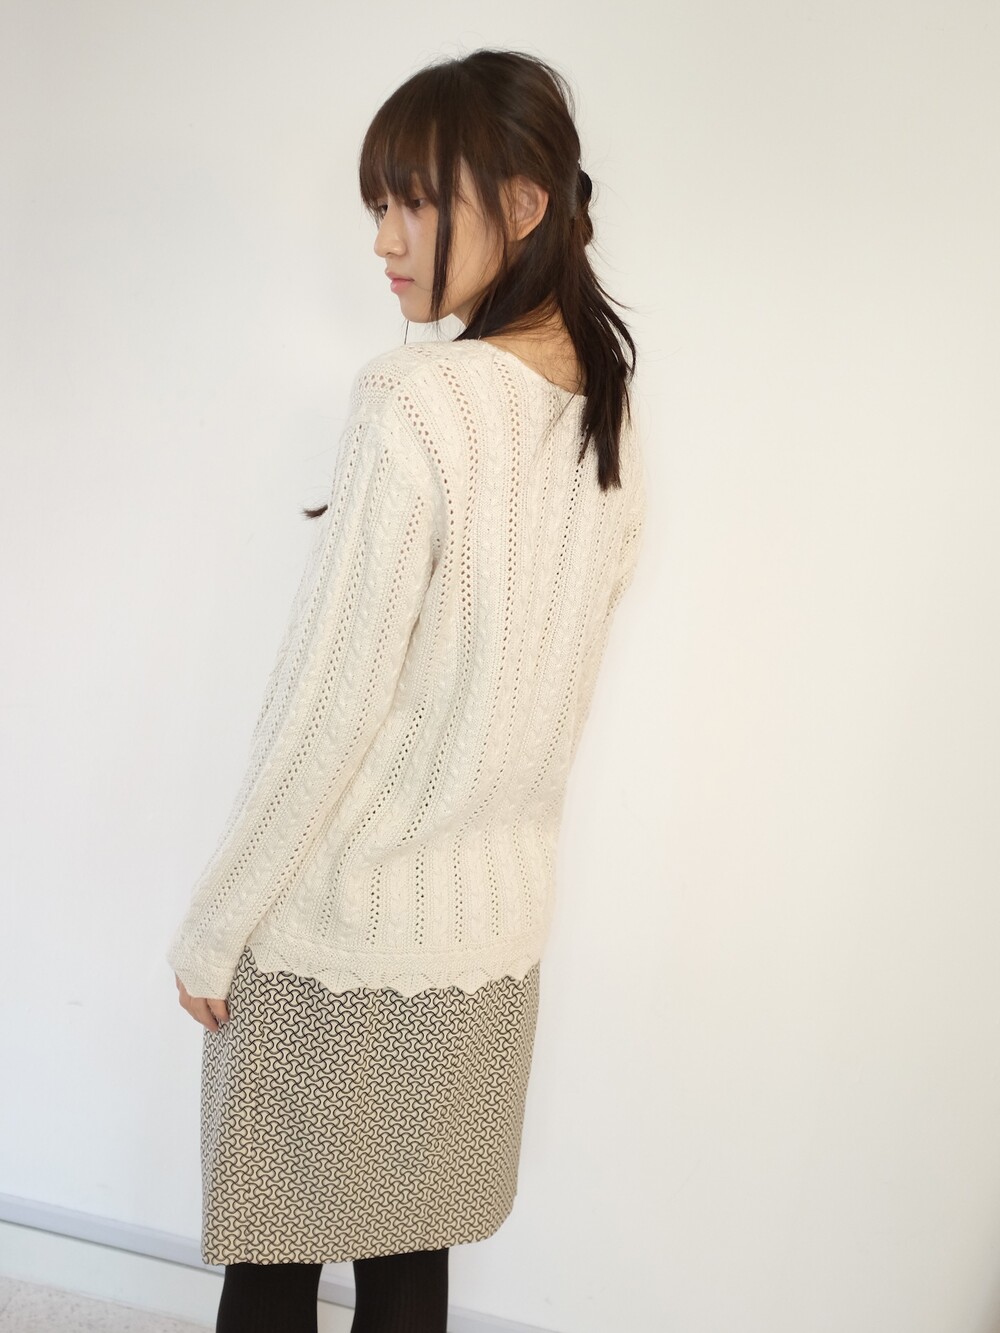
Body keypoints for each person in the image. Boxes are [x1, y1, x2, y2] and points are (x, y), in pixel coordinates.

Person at [167, 47, 646, 1333]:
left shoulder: (418, 398)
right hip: (486, 947)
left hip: (339, 939)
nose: (383, 239)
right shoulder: (607, 417)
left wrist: (215, 923)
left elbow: (329, 705)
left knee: (272, 1266)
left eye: (415, 202)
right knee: (407, 1267)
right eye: (376, 203)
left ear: (524, 205)